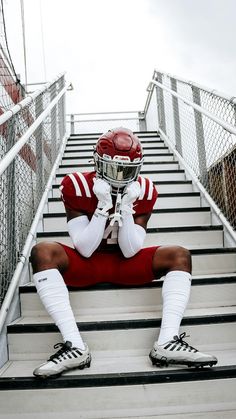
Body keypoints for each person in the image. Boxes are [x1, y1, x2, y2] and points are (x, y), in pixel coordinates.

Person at [31, 127, 217, 378]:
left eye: (127, 170)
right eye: (112, 168)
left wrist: (126, 208)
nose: (120, 176)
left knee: (179, 255)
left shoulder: (145, 190)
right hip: (87, 265)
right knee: (43, 251)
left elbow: (130, 251)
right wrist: (102, 208)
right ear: (98, 163)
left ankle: (167, 341)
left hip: (125, 264)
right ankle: (74, 346)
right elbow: (84, 249)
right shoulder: (75, 184)